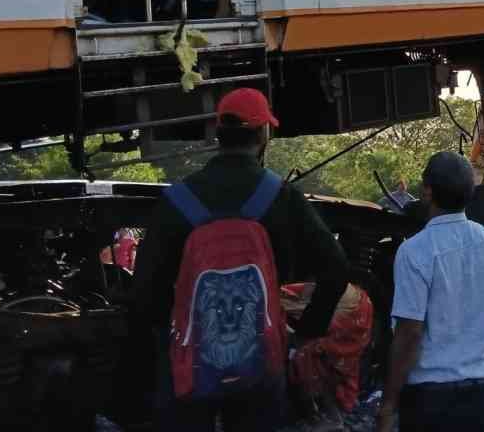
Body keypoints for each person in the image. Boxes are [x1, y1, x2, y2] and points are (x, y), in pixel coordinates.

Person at [133, 88, 350, 432]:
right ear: (264, 133)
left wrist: (172, 339)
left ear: (218, 133)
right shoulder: (281, 196)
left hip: (190, 362)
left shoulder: (177, 201)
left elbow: (144, 292)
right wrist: (307, 332)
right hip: (261, 359)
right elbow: (336, 267)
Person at [377, 152, 484, 432]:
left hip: (429, 400)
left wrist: (389, 403)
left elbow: (409, 333)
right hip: (480, 395)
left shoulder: (414, 251)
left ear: (428, 191)